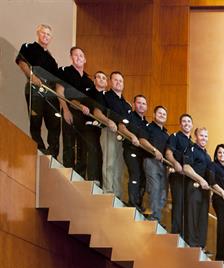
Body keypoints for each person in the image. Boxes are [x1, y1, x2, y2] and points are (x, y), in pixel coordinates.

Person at [15, 24, 60, 156]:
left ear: (51, 38)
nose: (46, 36)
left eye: (48, 34)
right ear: (38, 34)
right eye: (43, 33)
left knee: (54, 123)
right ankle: (39, 150)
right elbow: (21, 62)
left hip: (49, 93)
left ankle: (52, 153)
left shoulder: (51, 59)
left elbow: (57, 78)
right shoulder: (29, 47)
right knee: (36, 121)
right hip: (34, 90)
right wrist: (32, 76)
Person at [93, 71, 135, 199]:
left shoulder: (127, 104)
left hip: (123, 137)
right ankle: (108, 192)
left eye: (121, 81)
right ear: (110, 82)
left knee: (119, 167)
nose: (118, 83)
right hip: (109, 132)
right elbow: (97, 112)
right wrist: (108, 121)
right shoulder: (104, 95)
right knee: (109, 163)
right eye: (116, 80)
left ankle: (117, 195)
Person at [56, 46, 94, 178]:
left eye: (81, 55)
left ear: (85, 60)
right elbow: (59, 91)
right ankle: (67, 175)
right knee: (69, 144)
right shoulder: (65, 71)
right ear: (71, 57)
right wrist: (66, 110)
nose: (78, 57)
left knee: (83, 147)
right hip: (70, 111)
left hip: (84, 117)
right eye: (76, 55)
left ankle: (79, 176)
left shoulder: (89, 80)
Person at [139, 106, 169, 223]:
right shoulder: (148, 127)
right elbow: (142, 141)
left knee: (163, 193)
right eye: (160, 113)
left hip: (164, 165)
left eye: (164, 114)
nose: (162, 115)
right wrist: (154, 150)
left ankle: (157, 217)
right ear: (154, 114)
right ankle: (153, 217)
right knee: (154, 189)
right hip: (151, 161)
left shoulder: (166, 133)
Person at [183, 127, 211, 248]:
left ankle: (200, 247)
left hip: (205, 192)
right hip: (194, 188)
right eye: (201, 135)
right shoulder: (191, 149)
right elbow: (186, 168)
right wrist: (200, 180)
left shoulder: (208, 156)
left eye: (206, 136)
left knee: (203, 219)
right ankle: (192, 245)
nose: (204, 138)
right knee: (192, 217)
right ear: (196, 137)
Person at [166, 113, 193, 234]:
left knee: (187, 207)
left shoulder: (192, 143)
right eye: (184, 121)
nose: (187, 123)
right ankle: (176, 234)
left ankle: (184, 235)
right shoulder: (175, 136)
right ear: (180, 124)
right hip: (177, 176)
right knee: (178, 205)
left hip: (189, 179)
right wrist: (175, 163)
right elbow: (168, 153)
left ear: (192, 125)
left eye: (189, 121)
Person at [120, 95, 149, 210]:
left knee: (143, 178)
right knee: (135, 174)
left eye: (144, 103)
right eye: (139, 103)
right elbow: (121, 127)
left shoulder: (146, 123)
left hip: (142, 154)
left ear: (146, 107)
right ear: (134, 104)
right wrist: (132, 136)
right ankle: (132, 202)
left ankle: (138, 203)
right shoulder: (129, 115)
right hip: (130, 150)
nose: (141, 105)